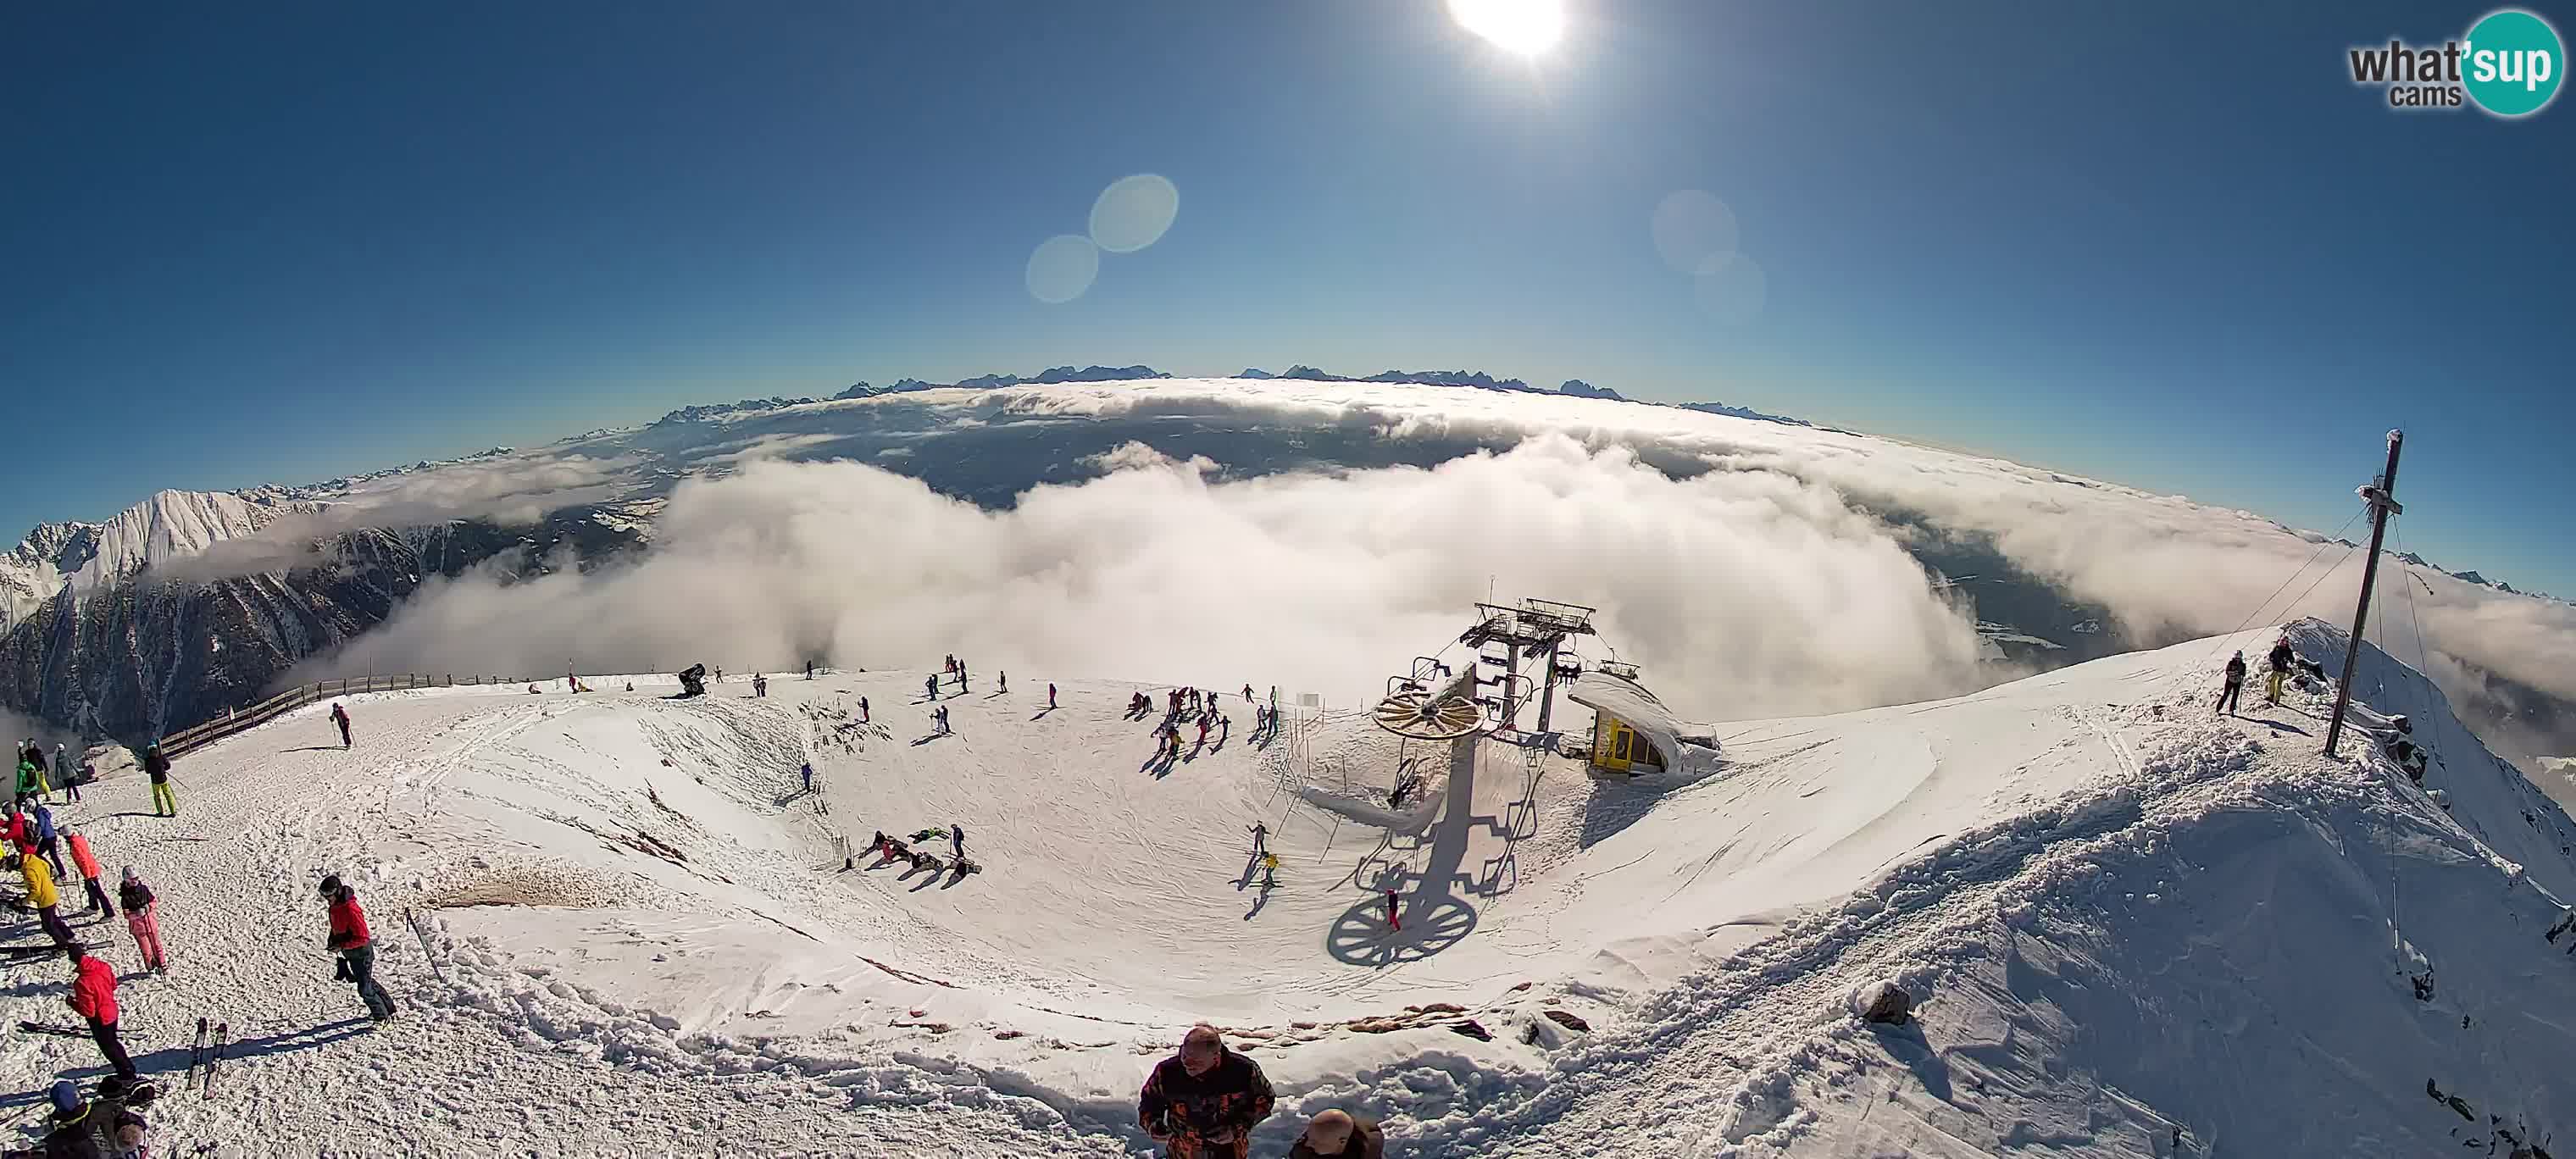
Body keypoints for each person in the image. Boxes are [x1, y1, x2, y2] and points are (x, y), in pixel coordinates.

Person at [1137, 1025, 1275, 1159]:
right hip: (1183, 1151)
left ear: (1216, 1056)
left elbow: (1265, 1100)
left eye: (1196, 1060)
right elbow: (1149, 1102)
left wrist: (1237, 1128)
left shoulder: (1243, 1071)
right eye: (1184, 1055)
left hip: (1230, 1150)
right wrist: (1152, 1124)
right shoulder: (1168, 1072)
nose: (1187, 1063)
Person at [321, 875, 396, 1022]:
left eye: (328, 895)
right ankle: (389, 1008)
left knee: (365, 989)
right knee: (366, 981)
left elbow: (362, 938)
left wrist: (341, 945)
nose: (326, 899)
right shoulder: (334, 907)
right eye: (324, 895)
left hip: (362, 953)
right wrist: (333, 939)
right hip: (351, 953)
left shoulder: (350, 909)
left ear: (337, 892)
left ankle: (382, 1018)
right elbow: (337, 927)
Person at [66, 945, 136, 1082]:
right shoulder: (103, 966)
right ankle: (128, 1067)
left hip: (100, 1019)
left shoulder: (82, 982)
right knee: (114, 1043)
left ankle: (126, 1074)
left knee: (109, 1047)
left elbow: (89, 1011)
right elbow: (113, 985)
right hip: (111, 1010)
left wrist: (73, 1003)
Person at [119, 868, 166, 973]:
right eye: (132, 879)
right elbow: (126, 915)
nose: (135, 881)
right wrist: (136, 914)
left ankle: (163, 965)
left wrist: (148, 907)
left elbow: (154, 901)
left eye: (136, 878)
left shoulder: (143, 889)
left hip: (151, 923)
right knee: (146, 950)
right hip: (139, 928)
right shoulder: (125, 897)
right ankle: (150, 968)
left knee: (157, 946)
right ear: (126, 880)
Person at [1286, 1109, 1385, 1159]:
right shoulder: (1304, 1150)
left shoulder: (1370, 1146)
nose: (1307, 1144)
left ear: (1341, 1142)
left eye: (1317, 1142)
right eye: (1308, 1136)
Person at [24, 851, 73, 945]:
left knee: (48, 926)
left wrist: (24, 901)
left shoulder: (28, 871)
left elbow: (35, 892)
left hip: (45, 900)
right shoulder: (33, 860)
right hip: (50, 893)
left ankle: (63, 945)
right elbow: (46, 865)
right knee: (54, 919)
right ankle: (69, 935)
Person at [64, 828, 113, 918]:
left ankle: (109, 913)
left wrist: (88, 876)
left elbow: (84, 861)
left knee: (98, 892)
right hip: (91, 868)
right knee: (89, 888)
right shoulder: (79, 839)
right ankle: (93, 907)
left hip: (90, 871)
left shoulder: (75, 845)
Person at [142, 744, 175, 818]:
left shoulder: (147, 760)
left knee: (157, 796)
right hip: (164, 779)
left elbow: (147, 771)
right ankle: (173, 811)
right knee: (168, 795)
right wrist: (163, 769)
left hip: (155, 781)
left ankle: (160, 812)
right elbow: (168, 766)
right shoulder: (162, 757)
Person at [34, 801, 65, 878]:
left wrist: (37, 834)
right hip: (52, 835)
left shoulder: (39, 814)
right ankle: (62, 873)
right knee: (54, 856)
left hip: (47, 837)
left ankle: (52, 869)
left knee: (37, 854)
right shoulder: (43, 811)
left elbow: (42, 826)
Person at [2265, 636, 2295, 706]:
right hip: (2275, 669)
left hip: (2282, 670)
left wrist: (2289, 660)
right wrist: (2272, 660)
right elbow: (2271, 655)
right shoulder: (2277, 648)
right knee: (2271, 681)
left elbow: (2292, 659)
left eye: (2283, 641)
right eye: (2281, 641)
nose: (2282, 643)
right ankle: (2271, 695)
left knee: (2278, 684)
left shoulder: (2288, 651)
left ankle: (2276, 699)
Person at [2216, 652, 2247, 716]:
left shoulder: (2243, 665)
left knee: (2235, 696)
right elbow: (2227, 672)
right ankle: (2218, 708)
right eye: (2237, 658)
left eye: (2239, 658)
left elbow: (2244, 674)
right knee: (2225, 695)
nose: (2238, 660)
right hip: (2230, 681)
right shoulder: (2231, 663)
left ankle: (2231, 710)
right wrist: (2235, 673)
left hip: (2238, 682)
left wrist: (2242, 673)